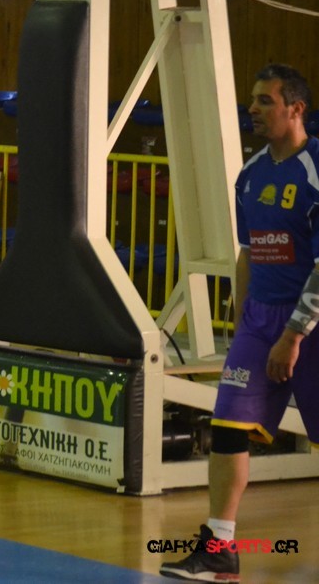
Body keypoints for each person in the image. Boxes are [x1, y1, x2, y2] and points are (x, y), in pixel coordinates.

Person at [161, 64, 319, 582]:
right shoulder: (250, 175)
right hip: (260, 323)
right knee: (228, 425)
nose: (252, 108)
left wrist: (293, 335)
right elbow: (248, 252)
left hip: (310, 324)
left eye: (264, 100)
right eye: (252, 99)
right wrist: (244, 319)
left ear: (295, 108)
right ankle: (219, 549)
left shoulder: (315, 170)